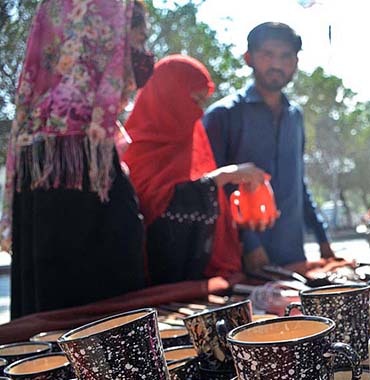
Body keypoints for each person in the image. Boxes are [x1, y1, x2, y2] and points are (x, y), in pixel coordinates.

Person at [1, 0, 151, 318]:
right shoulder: (83, 150)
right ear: (103, 42)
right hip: (85, 354)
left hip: (43, 351)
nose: (143, 56)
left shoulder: (37, 140)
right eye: (137, 41)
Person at [123, 55, 269, 285]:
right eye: (194, 101)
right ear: (169, 96)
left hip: (195, 286)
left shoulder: (190, 146)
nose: (199, 112)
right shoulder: (135, 149)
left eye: (203, 103)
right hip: (154, 288)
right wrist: (223, 176)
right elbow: (156, 208)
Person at [203, 22, 334, 275]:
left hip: (292, 252)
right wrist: (249, 244)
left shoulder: (295, 116)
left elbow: (299, 183)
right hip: (239, 259)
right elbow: (213, 188)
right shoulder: (222, 115)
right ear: (248, 58)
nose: (277, 64)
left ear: (296, 63)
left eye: (286, 56)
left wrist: (323, 240)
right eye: (268, 55)